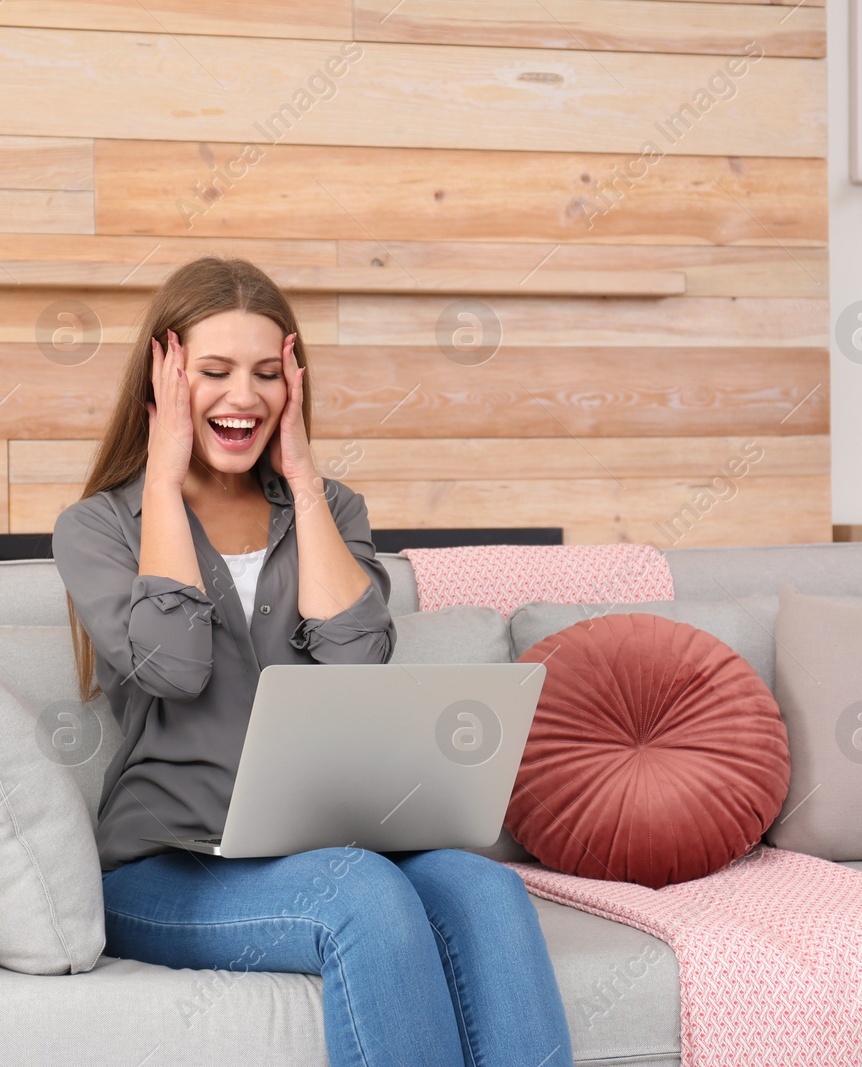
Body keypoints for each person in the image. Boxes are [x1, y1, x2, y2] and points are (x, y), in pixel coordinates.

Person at [52, 256, 574, 1067]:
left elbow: (359, 666)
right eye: (214, 371)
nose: (243, 396)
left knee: (490, 890)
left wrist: (300, 475)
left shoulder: (331, 509)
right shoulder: (97, 527)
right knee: (359, 899)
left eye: (267, 373)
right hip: (168, 867)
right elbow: (175, 664)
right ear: (164, 378)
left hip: (331, 846)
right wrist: (161, 479)